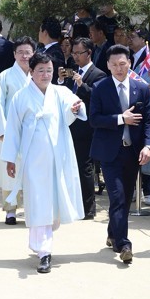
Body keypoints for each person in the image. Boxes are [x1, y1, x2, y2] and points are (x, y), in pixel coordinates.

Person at [2, 53, 85, 274]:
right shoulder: (21, 97)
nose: (45, 74)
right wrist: (10, 159)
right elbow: (13, 129)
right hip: (33, 158)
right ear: (31, 71)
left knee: (54, 202)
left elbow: (73, 107)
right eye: (40, 70)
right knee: (38, 201)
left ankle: (45, 241)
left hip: (58, 155)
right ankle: (44, 251)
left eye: (49, 70)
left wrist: (76, 107)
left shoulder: (60, 92)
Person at [90, 44, 150, 263]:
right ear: (107, 65)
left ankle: (112, 233)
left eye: (123, 64)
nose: (119, 68)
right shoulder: (100, 88)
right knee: (117, 196)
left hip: (133, 152)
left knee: (125, 198)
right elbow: (94, 119)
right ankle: (124, 244)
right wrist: (120, 119)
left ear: (129, 63)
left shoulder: (141, 88)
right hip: (110, 153)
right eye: (114, 65)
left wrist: (148, 145)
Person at [58, 37, 107, 220]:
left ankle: (88, 208)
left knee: (85, 167)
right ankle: (74, 203)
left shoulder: (98, 74)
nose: (76, 56)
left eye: (79, 53)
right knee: (72, 165)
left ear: (89, 53)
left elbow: (98, 97)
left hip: (87, 128)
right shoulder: (74, 72)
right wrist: (62, 80)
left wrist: (81, 84)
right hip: (71, 124)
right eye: (74, 53)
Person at [0, 36, 35, 225]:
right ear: (14, 54)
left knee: (34, 170)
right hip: (11, 130)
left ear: (33, 53)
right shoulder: (5, 76)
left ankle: (33, 208)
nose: (24, 56)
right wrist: (1, 130)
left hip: (34, 131)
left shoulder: (38, 74)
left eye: (28, 52)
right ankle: (10, 210)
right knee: (10, 171)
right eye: (21, 52)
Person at [38, 17, 65, 83]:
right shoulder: (44, 49)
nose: (38, 33)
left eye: (40, 30)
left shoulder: (56, 53)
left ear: (45, 32)